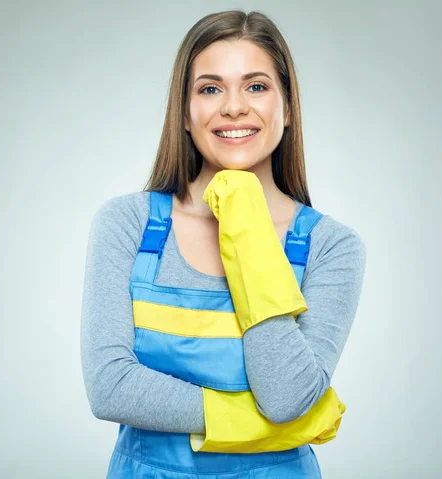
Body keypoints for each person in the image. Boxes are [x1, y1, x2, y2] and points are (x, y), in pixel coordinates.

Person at [80, 9, 366, 478]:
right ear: (186, 114)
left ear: (287, 108)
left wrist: (245, 222)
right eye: (210, 88)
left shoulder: (331, 247)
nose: (233, 106)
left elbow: (286, 396)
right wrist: (253, 424)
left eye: (256, 86)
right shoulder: (127, 223)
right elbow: (110, 386)